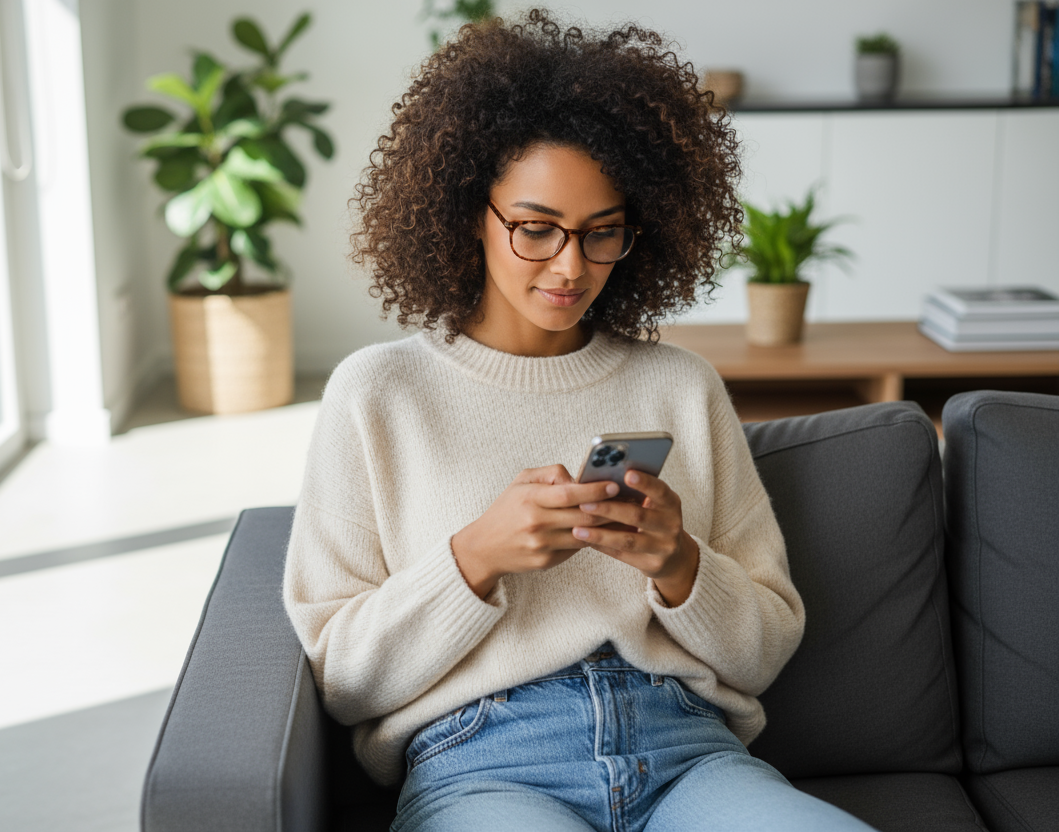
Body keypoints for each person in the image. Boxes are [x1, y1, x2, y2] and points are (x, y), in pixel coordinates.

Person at [283, 10, 876, 832]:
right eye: (536, 229)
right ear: (469, 212)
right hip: (483, 761)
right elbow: (342, 680)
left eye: (603, 234)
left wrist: (679, 566)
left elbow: (766, 650)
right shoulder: (377, 395)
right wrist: (474, 559)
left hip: (687, 752)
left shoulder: (681, 386)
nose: (572, 267)